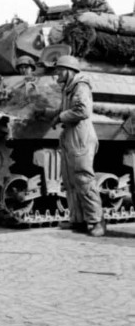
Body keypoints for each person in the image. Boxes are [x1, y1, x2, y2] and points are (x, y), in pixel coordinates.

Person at [41, 55, 105, 236]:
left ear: (69, 71)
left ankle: (96, 221)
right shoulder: (68, 88)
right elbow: (64, 110)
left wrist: (60, 117)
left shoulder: (80, 86)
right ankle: (78, 220)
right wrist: (45, 113)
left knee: (84, 179)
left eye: (59, 70)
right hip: (70, 135)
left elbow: (83, 110)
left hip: (80, 136)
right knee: (70, 181)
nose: (56, 74)